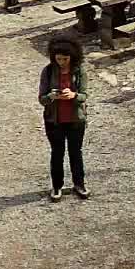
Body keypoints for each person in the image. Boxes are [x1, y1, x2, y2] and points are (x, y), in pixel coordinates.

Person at [38, 32, 89, 201]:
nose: (62, 62)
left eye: (65, 59)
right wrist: (52, 96)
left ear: (72, 57)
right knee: (57, 153)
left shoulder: (79, 70)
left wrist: (73, 95)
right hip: (54, 121)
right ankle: (56, 186)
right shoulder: (48, 71)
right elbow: (42, 99)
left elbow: (84, 95)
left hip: (76, 119)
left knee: (76, 152)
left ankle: (79, 184)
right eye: (59, 59)